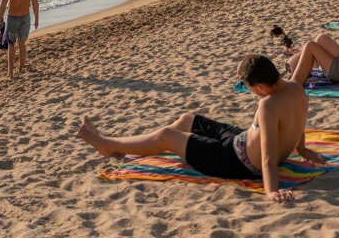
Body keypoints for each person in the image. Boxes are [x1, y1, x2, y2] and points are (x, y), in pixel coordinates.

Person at [76, 54, 325, 204]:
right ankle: (141, 148)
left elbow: (268, 159)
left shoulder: (268, 104)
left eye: (246, 86)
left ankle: (107, 144)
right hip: (239, 141)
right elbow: (299, 121)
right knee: (188, 119)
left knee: (166, 135)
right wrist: (301, 149)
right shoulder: (295, 87)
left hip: (232, 160)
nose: (248, 90)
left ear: (259, 86)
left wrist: (271, 192)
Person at [0, 0, 40, 80]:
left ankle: (10, 73)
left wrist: (1, 18)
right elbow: (35, 4)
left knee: (11, 45)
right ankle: (21, 67)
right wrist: (37, 19)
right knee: (22, 43)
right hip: (25, 18)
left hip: (13, 19)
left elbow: (2, 4)